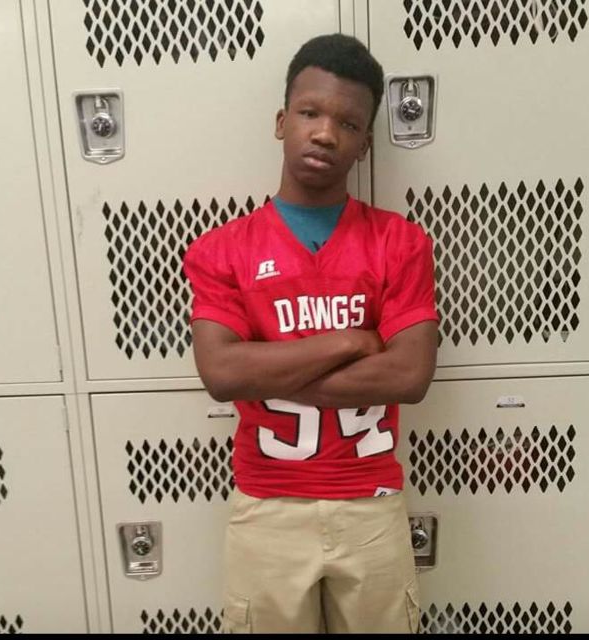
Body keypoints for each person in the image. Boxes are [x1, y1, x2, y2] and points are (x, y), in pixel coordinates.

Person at [183, 33, 439, 633]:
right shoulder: (222, 249)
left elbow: (409, 375)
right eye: (309, 113)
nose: (325, 133)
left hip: (371, 503)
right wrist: (351, 341)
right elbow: (222, 374)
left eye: (347, 124)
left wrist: (268, 366)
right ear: (282, 122)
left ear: (365, 144)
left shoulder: (400, 242)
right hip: (267, 505)